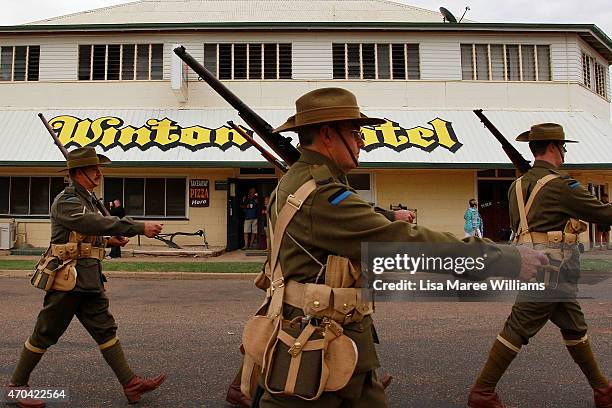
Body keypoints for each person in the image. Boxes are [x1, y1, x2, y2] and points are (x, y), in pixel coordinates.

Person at [243, 87, 547, 408]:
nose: (362, 141)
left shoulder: (304, 182)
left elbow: (357, 217)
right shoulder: (319, 193)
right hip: (313, 354)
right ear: (328, 135)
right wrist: (503, 259)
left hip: (336, 346)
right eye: (355, 132)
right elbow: (399, 241)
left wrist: (387, 214)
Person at [7, 147, 166, 408]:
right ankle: (16, 387)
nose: (99, 173)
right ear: (79, 172)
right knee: (45, 333)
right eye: (94, 168)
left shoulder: (89, 199)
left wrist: (108, 239)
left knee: (105, 330)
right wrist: (138, 227)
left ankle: (130, 383)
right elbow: (92, 223)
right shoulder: (67, 201)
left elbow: (90, 233)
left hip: (89, 279)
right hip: (68, 279)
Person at [467, 123, 612, 408]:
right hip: (552, 268)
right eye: (563, 147)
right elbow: (603, 214)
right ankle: (482, 392)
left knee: (574, 327)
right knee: (518, 327)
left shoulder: (516, 186)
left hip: (532, 262)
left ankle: (602, 390)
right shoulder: (560, 184)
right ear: (555, 147)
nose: (564, 152)